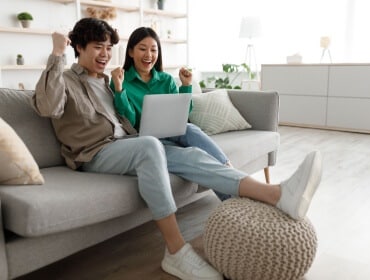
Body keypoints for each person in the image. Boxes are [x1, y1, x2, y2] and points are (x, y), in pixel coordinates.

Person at [32, 18, 322, 280]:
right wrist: (57, 53)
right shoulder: (66, 80)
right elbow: (47, 106)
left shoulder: (108, 82)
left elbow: (128, 121)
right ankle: (176, 250)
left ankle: (277, 195)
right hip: (92, 154)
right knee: (149, 146)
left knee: (189, 153)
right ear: (78, 47)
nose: (105, 54)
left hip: (125, 145)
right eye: (98, 47)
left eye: (108, 48)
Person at [110, 26, 231, 201]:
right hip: (144, 140)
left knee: (189, 128)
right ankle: (232, 193)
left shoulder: (166, 80)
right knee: (196, 155)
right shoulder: (120, 81)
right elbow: (129, 120)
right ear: (130, 52)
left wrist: (186, 85)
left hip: (170, 132)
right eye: (142, 49)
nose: (149, 55)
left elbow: (182, 115)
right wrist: (120, 89)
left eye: (153, 50)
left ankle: (228, 169)